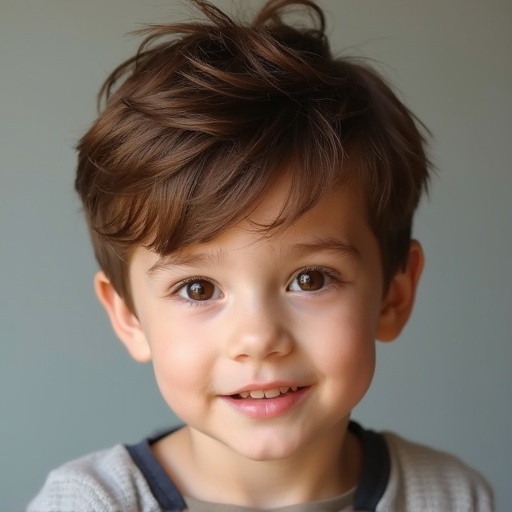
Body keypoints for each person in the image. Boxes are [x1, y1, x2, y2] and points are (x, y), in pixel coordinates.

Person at [27, 1, 493, 510]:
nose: (258, 339)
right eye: (197, 288)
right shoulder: (89, 503)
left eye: (312, 279)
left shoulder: (452, 496)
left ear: (393, 296)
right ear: (128, 315)